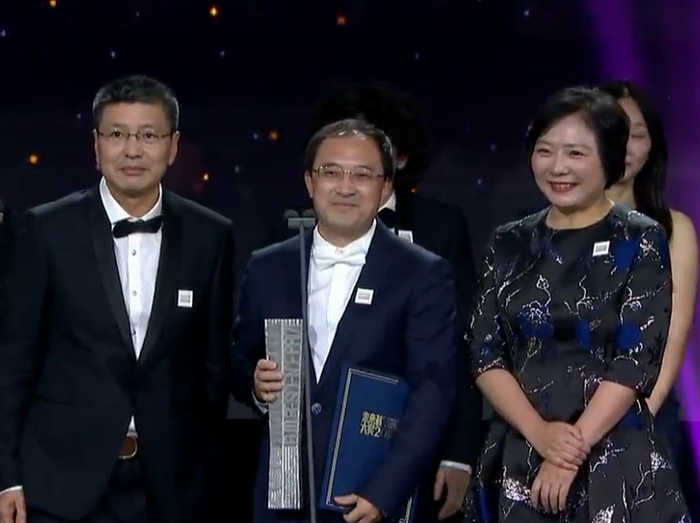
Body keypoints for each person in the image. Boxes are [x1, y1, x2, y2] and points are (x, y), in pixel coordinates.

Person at [0, 75, 235, 523]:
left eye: (148, 135)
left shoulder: (211, 235)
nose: (132, 150)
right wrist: (6, 476)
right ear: (96, 144)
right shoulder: (46, 230)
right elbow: (13, 362)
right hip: (60, 483)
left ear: (173, 145)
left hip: (171, 486)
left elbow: (213, 367)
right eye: (117, 134)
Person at [468, 86, 689, 522]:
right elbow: (483, 352)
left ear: (610, 158)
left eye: (575, 153)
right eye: (545, 150)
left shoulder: (641, 237)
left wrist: (569, 451)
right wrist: (540, 434)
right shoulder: (509, 241)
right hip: (520, 451)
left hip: (612, 455)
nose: (558, 167)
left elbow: (635, 360)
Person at [264, 84, 482, 520]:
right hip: (301, 459)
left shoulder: (440, 228)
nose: (348, 181)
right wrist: (257, 382)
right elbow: (255, 349)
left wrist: (458, 454)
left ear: (397, 160)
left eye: (367, 162)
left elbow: (459, 350)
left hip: (410, 449)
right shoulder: (291, 233)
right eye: (336, 165)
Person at [600, 80, 698, 467]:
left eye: (637, 135)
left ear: (651, 145)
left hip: (643, 417)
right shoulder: (546, 228)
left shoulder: (674, 230)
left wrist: (634, 425)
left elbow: (672, 337)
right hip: (557, 421)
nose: (625, 146)